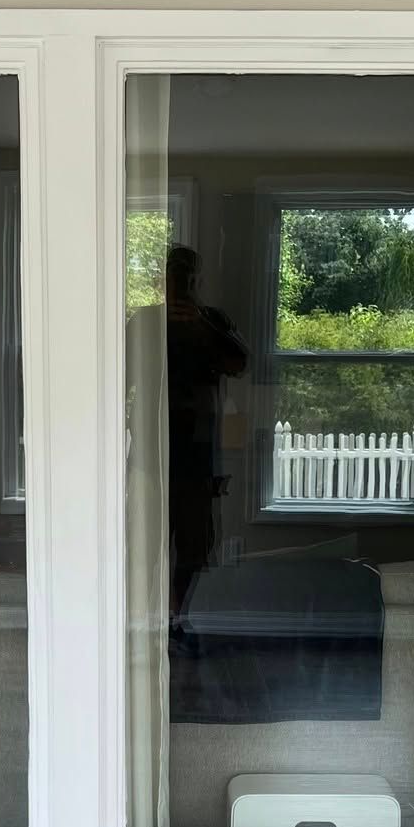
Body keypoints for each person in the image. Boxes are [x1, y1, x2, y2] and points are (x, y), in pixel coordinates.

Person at [164, 245, 247, 624]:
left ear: (198, 281)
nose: (181, 285)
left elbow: (238, 362)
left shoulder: (211, 320)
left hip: (198, 452)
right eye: (175, 276)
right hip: (152, 452)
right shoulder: (146, 322)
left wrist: (201, 323)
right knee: (145, 545)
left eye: (188, 277)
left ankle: (181, 616)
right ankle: (153, 618)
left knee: (195, 545)